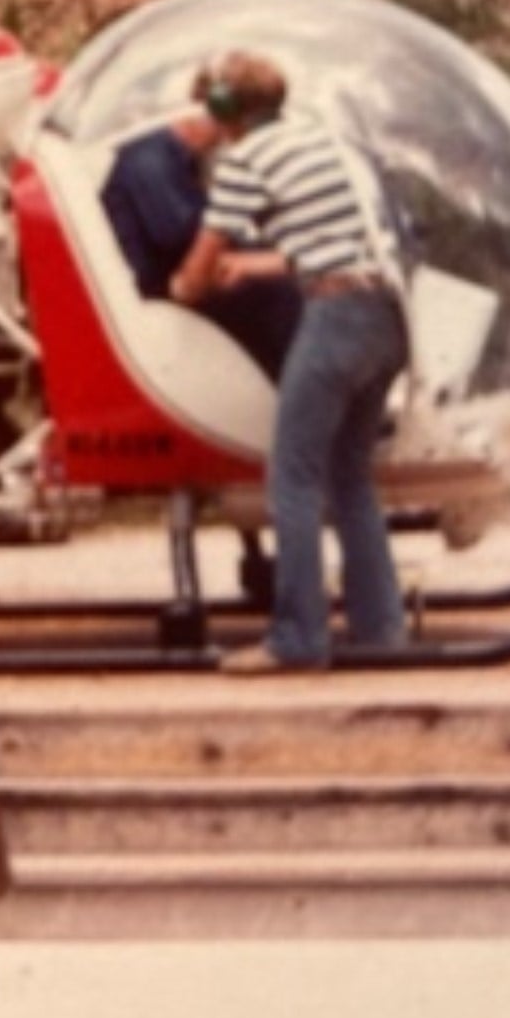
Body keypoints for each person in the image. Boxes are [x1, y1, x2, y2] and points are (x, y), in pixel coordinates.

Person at [170, 51, 409, 672]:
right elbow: (330, 238)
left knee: (291, 479)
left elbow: (204, 255)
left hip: (336, 318)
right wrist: (255, 266)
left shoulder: (245, 159)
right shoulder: (314, 139)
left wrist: (183, 288)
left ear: (226, 107)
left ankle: (298, 638)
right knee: (349, 475)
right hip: (386, 314)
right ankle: (381, 626)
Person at [99, 67, 301, 381]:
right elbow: (181, 233)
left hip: (186, 273)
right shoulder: (149, 158)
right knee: (277, 294)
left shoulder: (183, 160)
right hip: (161, 289)